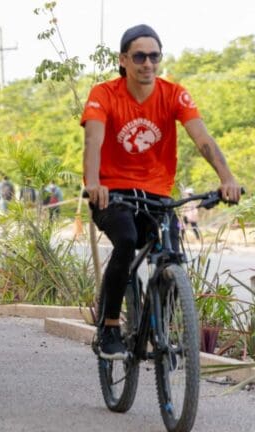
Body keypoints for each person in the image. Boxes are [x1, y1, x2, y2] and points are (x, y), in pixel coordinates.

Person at [82, 24, 241, 360]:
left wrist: (227, 177)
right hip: (113, 192)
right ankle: (110, 325)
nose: (148, 63)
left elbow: (203, 139)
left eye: (154, 56)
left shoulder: (174, 94)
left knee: (172, 255)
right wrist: (94, 183)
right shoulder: (104, 94)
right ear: (123, 59)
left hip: (156, 194)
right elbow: (93, 140)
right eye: (139, 56)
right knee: (125, 241)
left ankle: (161, 328)